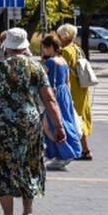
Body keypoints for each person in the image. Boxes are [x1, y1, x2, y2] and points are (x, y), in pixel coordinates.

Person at [0, 27, 67, 215]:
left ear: (6, 47)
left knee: (3, 168)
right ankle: (28, 210)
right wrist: (59, 126)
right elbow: (49, 99)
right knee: (29, 163)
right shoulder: (36, 68)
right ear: (25, 47)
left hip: (0, 125)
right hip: (28, 123)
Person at [40, 33, 83, 169]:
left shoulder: (51, 62)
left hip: (54, 95)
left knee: (49, 124)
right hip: (64, 95)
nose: (44, 51)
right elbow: (67, 81)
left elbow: (41, 77)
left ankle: (62, 153)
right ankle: (58, 153)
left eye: (45, 48)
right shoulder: (63, 61)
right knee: (64, 122)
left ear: (50, 47)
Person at [56, 23, 93, 160]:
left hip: (72, 88)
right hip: (81, 87)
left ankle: (80, 149)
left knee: (73, 117)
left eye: (60, 35)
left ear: (64, 36)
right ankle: (85, 149)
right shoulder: (77, 49)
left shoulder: (66, 51)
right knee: (79, 116)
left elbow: (62, 71)